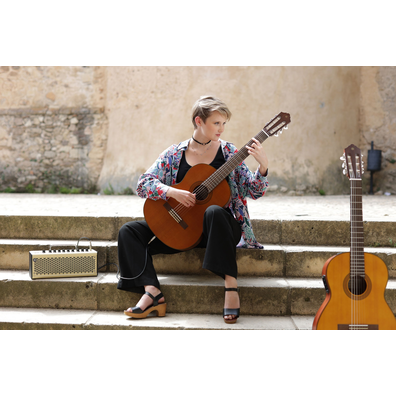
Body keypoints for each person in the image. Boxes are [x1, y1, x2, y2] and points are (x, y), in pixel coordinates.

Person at [117, 96, 269, 324]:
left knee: (214, 211)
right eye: (216, 123)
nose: (221, 128)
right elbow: (143, 184)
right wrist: (172, 192)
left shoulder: (229, 153)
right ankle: (152, 292)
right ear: (199, 121)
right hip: (184, 230)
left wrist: (263, 166)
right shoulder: (174, 154)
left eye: (224, 123)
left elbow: (254, 191)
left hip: (217, 231)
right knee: (128, 232)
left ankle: (230, 285)